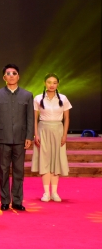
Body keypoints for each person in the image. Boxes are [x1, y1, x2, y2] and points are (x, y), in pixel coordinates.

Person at [0, 64, 33, 211]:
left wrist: (29, 136)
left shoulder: (27, 95)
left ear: (18, 76)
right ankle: (5, 200)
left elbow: (30, 118)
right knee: (3, 170)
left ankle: (17, 201)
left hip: (20, 138)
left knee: (19, 171)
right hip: (3, 138)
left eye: (14, 73)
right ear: (4, 77)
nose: (11, 76)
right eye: (8, 73)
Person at [32, 73, 72, 202]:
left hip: (58, 130)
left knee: (56, 160)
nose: (52, 85)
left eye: (54, 83)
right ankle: (46, 193)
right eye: (49, 82)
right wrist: (36, 134)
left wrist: (64, 135)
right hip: (43, 130)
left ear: (58, 84)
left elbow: (67, 118)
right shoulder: (38, 98)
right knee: (45, 160)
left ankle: (54, 192)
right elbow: (34, 119)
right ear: (45, 83)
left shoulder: (63, 98)